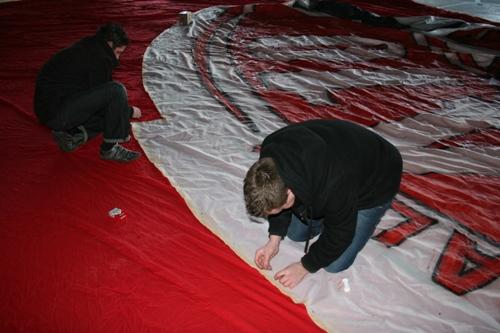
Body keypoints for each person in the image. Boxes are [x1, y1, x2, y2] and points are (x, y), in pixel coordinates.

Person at [243, 119, 402, 289]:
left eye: (279, 208)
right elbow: (275, 196)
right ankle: (330, 212)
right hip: (341, 150)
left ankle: (350, 211)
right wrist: (274, 239)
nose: (275, 214)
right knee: (295, 234)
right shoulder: (269, 158)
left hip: (379, 176)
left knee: (334, 264)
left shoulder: (335, 182)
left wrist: (304, 267)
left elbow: (340, 234)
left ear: (290, 191)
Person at [34, 22, 141, 162]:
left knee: (114, 109)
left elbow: (97, 95)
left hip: (48, 110)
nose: (118, 59)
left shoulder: (89, 47)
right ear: (109, 44)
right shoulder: (99, 59)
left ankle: (73, 136)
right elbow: (107, 100)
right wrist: (128, 112)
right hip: (57, 113)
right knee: (116, 91)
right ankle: (109, 150)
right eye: (118, 52)